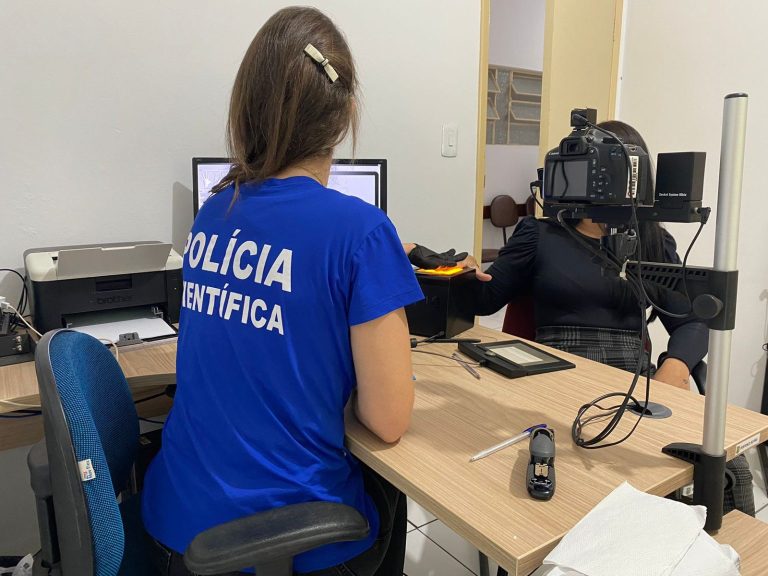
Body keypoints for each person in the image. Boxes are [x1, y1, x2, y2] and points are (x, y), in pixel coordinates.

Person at [141, 7, 423, 575]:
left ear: (248, 106)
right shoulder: (362, 232)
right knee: (391, 489)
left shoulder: (214, 212)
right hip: (280, 542)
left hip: (176, 525)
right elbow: (389, 420)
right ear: (345, 114)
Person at [414, 121, 708, 388]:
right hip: (554, 376)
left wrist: (676, 367)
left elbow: (691, 320)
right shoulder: (539, 235)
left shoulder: (654, 244)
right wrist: (465, 272)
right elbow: (484, 299)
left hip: (628, 381)